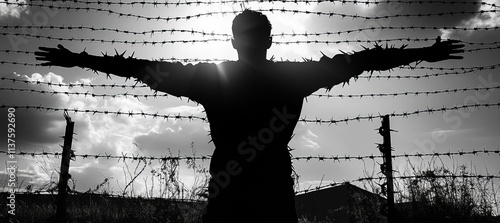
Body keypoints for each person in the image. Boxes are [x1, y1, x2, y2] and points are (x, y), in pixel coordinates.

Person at [35, 9, 464, 223]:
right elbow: (364, 60)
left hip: (228, 179)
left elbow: (142, 69)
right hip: (274, 180)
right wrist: (427, 52)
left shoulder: (209, 79)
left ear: (234, 41)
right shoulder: (295, 78)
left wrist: (76, 57)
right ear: (271, 40)